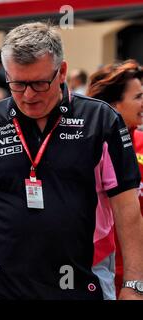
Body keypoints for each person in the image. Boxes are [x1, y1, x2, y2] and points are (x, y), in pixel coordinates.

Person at [0, 22, 143, 300]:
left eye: (39, 83)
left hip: (82, 280)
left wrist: (134, 283)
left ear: (62, 72)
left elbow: (127, 208)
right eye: (18, 83)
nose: (29, 95)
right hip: (1, 282)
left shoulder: (101, 120)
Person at [87, 59, 143, 297]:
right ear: (113, 105)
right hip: (98, 268)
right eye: (138, 97)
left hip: (135, 268)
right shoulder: (88, 149)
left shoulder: (140, 143)